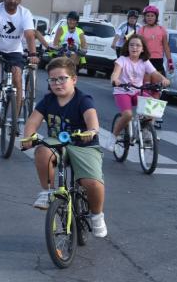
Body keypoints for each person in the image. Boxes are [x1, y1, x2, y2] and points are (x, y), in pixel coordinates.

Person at [21, 57, 107, 238]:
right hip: (57, 143)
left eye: (62, 78)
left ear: (74, 79)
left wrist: (91, 131)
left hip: (83, 145)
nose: (57, 83)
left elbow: (92, 120)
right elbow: (32, 122)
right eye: (53, 79)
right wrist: (28, 137)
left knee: (92, 183)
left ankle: (97, 215)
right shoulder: (48, 100)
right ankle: (48, 191)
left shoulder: (83, 99)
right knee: (42, 151)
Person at [109, 34, 170, 146]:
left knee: (153, 107)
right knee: (127, 115)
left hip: (137, 91)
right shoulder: (122, 60)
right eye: (131, 45)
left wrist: (164, 79)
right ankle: (113, 136)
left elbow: (154, 73)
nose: (134, 48)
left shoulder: (144, 62)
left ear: (142, 49)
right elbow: (115, 73)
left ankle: (146, 131)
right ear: (128, 47)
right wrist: (115, 80)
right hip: (122, 91)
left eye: (138, 45)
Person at [137, 5, 172, 127]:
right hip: (145, 61)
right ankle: (144, 114)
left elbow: (166, 47)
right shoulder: (142, 30)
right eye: (147, 16)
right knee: (146, 88)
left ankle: (154, 117)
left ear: (156, 17)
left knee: (157, 89)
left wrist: (170, 61)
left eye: (152, 16)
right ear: (144, 18)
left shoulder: (162, 30)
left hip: (158, 62)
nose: (150, 18)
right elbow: (137, 46)